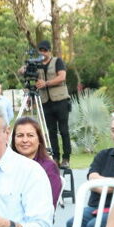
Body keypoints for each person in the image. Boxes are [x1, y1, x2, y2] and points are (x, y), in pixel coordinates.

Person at [31, 40, 72, 168]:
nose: (43, 53)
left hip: (60, 101)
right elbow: (25, 72)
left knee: (64, 130)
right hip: (45, 102)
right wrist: (25, 69)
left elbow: (62, 77)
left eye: (45, 50)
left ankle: (66, 158)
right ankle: (55, 157)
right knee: (51, 131)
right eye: (41, 50)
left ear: (49, 51)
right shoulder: (36, 64)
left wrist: (46, 83)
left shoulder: (57, 61)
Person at [11, 116, 61, 205]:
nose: (25, 140)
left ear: (39, 140)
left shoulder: (49, 167)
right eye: (20, 135)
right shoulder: (7, 165)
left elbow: (49, 203)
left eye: (30, 135)